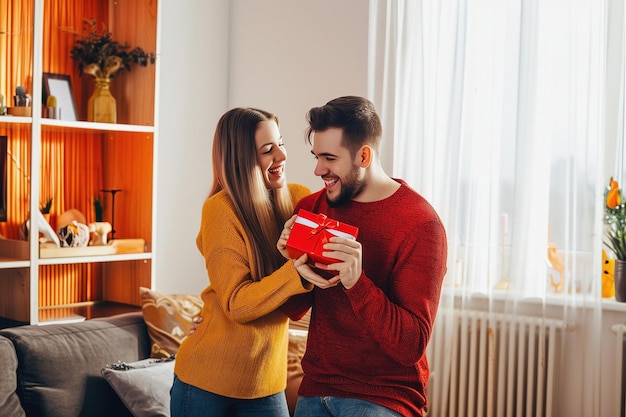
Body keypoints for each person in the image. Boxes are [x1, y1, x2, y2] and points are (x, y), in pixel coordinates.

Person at [277, 96, 448, 417]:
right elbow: (293, 310)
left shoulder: (421, 224)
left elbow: (410, 346)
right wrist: (291, 264)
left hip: (383, 397)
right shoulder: (312, 208)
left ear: (364, 155)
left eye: (329, 158)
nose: (318, 169)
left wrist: (357, 283)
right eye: (316, 156)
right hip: (316, 389)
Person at [171, 107, 312, 417]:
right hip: (205, 381)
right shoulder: (220, 210)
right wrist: (295, 275)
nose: (281, 155)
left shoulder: (301, 201)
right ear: (242, 160)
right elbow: (236, 303)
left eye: (281, 143)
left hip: (266, 383)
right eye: (267, 150)